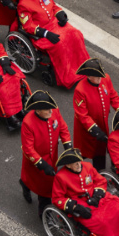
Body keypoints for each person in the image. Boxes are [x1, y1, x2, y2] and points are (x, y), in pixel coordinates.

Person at [16, 0, 90, 89]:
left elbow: (53, 6)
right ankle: (69, 76)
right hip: (42, 33)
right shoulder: (23, 5)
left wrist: (61, 14)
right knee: (60, 44)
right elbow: (28, 26)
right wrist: (45, 33)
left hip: (55, 24)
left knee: (77, 34)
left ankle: (83, 66)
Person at [52, 148, 119, 236]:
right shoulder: (60, 177)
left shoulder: (87, 166)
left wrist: (97, 196)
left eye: (79, 161)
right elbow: (57, 199)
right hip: (80, 204)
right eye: (76, 163)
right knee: (101, 221)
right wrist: (76, 207)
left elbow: (100, 180)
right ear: (68, 165)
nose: (79, 165)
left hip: (96, 197)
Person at [19, 90, 71, 218]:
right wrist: (42, 164)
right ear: (38, 111)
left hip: (52, 156)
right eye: (47, 109)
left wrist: (68, 147)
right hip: (37, 160)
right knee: (42, 187)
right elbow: (28, 148)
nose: (50, 111)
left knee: (47, 183)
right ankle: (43, 211)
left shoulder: (54, 111)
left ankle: (25, 184)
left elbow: (63, 128)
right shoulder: (28, 123)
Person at [73, 58, 119, 170]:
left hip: (102, 124)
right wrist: (95, 130)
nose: (101, 78)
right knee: (82, 154)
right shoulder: (80, 90)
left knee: (100, 153)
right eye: (98, 77)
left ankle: (100, 173)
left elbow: (113, 95)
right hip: (86, 131)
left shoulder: (105, 78)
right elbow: (82, 115)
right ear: (89, 76)